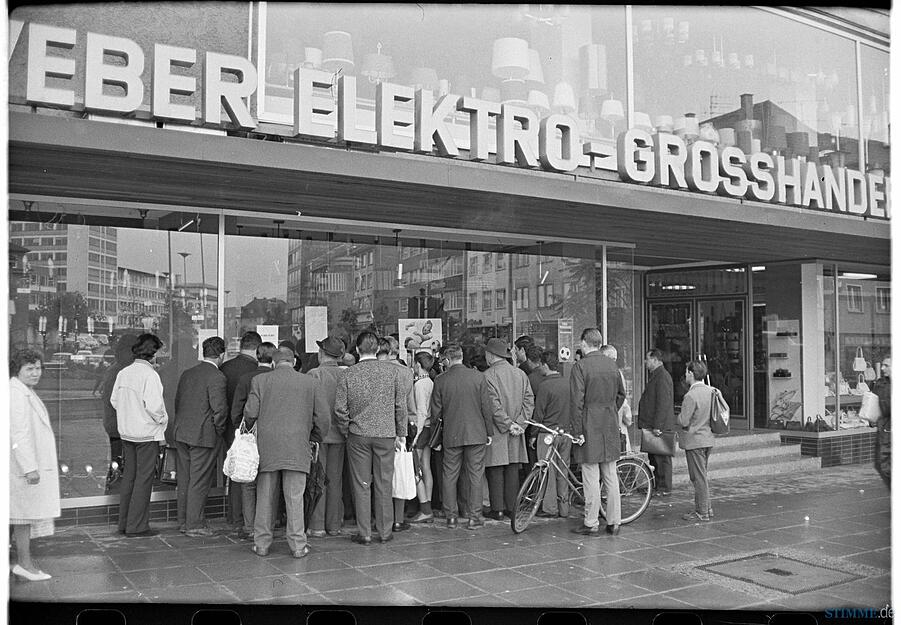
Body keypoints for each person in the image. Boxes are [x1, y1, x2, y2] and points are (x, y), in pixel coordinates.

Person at [243, 347, 330, 558]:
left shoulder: (261, 381)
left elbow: (250, 413)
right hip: (297, 446)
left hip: (267, 447)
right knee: (295, 497)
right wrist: (314, 437)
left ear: (273, 363)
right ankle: (298, 545)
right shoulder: (310, 382)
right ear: (293, 361)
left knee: (265, 497)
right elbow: (324, 417)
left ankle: (262, 543)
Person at [335, 331, 408, 545]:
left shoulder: (348, 374)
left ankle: (364, 532)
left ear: (357, 350)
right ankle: (385, 531)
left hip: (358, 435)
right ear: (377, 349)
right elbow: (400, 406)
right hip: (386, 434)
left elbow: (340, 409)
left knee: (362, 484)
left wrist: (347, 430)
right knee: (385, 483)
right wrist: (401, 433)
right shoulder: (393, 373)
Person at [110, 333, 169, 537]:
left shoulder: (124, 372)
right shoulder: (150, 375)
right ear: (152, 353)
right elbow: (155, 407)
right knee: (144, 480)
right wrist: (162, 421)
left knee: (129, 478)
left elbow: (114, 401)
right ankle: (138, 526)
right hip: (146, 434)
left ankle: (125, 523)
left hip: (127, 434)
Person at [9, 348, 60, 581]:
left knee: (22, 518)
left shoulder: (24, 391)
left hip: (21, 468)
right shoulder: (16, 394)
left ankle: (24, 564)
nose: (35, 373)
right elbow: (18, 433)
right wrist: (29, 467)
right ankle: (24, 565)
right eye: (29, 369)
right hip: (20, 469)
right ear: (17, 370)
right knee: (22, 518)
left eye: (38, 368)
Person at [430, 343, 493, 528]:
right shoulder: (478, 377)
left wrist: (437, 438)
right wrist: (489, 432)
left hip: (452, 434)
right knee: (475, 475)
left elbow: (436, 413)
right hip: (476, 432)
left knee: (449, 474)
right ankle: (474, 516)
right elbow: (486, 407)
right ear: (462, 356)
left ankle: (451, 516)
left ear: (448, 360)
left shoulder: (441, 380)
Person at [570, 328, 625, 536]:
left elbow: (576, 402)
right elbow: (621, 394)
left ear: (585, 343)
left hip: (588, 423)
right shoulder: (612, 365)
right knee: (610, 475)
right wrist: (610, 410)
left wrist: (577, 430)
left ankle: (591, 522)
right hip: (609, 422)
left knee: (591, 476)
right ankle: (614, 521)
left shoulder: (580, 367)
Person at [173, 336, 228, 537]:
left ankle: (183, 521)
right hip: (203, 436)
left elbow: (178, 402)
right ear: (222, 355)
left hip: (182, 432)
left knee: (185, 479)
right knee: (199, 480)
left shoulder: (187, 374)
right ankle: (195, 524)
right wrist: (219, 432)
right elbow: (220, 411)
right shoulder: (217, 377)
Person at [229, 341, 277, 540]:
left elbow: (237, 410)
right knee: (269, 482)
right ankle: (268, 524)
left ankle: (249, 526)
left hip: (250, 435)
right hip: (273, 436)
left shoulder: (246, 378)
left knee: (248, 483)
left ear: (257, 356)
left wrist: (241, 431)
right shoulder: (277, 379)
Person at [482, 337, 534, 520]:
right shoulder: (520, 374)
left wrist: (507, 424)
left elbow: (493, 406)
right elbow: (529, 401)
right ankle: (513, 508)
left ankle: (498, 509)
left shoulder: (488, 376)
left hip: (498, 431)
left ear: (491, 355)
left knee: (496, 470)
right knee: (513, 469)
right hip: (516, 432)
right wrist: (520, 424)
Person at [219, 331, 262, 533]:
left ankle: (235, 516)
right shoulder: (258, 371)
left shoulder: (225, 367)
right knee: (255, 474)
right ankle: (254, 519)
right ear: (257, 349)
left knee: (237, 472)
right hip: (253, 430)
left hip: (232, 429)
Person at [307, 336, 349, 537]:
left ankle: (317, 526)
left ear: (321, 353)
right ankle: (334, 525)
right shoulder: (347, 374)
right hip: (340, 435)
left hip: (318, 436)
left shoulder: (314, 374)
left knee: (317, 480)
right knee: (335, 480)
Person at [377, 336, 415, 531]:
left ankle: (381, 519)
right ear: (395, 351)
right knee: (399, 471)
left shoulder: (375, 370)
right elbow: (409, 405)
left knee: (379, 475)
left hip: (377, 428)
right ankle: (398, 519)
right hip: (400, 427)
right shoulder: (406, 373)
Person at [531, 350, 573, 518]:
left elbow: (538, 414)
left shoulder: (544, 386)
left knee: (547, 471)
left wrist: (533, 434)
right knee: (563, 470)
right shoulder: (568, 383)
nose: (539, 367)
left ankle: (550, 508)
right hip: (566, 433)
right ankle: (564, 508)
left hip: (546, 433)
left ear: (546, 365)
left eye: (541, 364)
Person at [98, 332, 138, 490]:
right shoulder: (119, 372)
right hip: (120, 427)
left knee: (119, 462)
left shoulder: (117, 369)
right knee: (121, 463)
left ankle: (116, 489)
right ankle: (117, 492)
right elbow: (117, 401)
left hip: (116, 425)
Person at [677, 360, 715, 522]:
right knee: (702, 475)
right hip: (707, 438)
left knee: (698, 477)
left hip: (694, 440)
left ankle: (702, 511)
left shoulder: (691, 395)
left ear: (691, 374)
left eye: (686, 372)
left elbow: (684, 421)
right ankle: (707, 508)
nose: (685, 375)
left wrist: (678, 417)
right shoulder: (711, 391)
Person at [638, 348, 675, 497]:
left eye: (648, 359)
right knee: (654, 457)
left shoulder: (662, 377)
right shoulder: (657, 375)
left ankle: (664, 487)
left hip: (659, 426)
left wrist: (658, 426)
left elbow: (663, 403)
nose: (646, 362)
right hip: (653, 424)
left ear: (655, 359)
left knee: (661, 458)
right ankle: (656, 485)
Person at [409, 351, 436, 523]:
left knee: (416, 468)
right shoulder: (431, 382)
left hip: (421, 429)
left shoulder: (419, 385)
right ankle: (428, 504)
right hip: (429, 428)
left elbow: (420, 412)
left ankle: (425, 508)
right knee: (426, 467)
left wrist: (415, 435)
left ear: (418, 365)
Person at [872, 356, 891, 488]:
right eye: (882, 365)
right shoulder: (881, 384)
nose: (883, 368)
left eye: (886, 365)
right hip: (884, 430)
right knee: (880, 464)